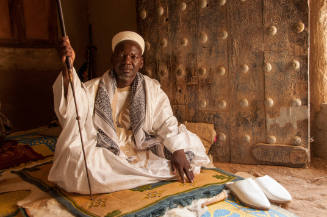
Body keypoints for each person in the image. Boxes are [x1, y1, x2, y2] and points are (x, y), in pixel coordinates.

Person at [49, 31, 210, 194]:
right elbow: (72, 112)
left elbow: (166, 121)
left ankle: (119, 178)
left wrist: (177, 150)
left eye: (133, 57)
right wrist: (67, 68)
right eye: (122, 55)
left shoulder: (151, 89)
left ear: (141, 62)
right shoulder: (93, 88)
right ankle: (132, 175)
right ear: (112, 59)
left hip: (142, 143)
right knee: (74, 160)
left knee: (191, 149)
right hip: (105, 147)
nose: (127, 61)